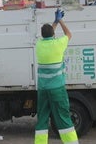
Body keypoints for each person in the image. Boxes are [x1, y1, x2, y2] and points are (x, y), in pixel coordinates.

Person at [34, 8, 79, 144]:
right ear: (53, 34)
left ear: (42, 35)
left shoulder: (39, 45)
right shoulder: (58, 44)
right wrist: (60, 20)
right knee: (63, 116)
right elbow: (68, 34)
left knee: (42, 118)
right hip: (57, 90)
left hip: (42, 90)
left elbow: (48, 36)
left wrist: (54, 22)